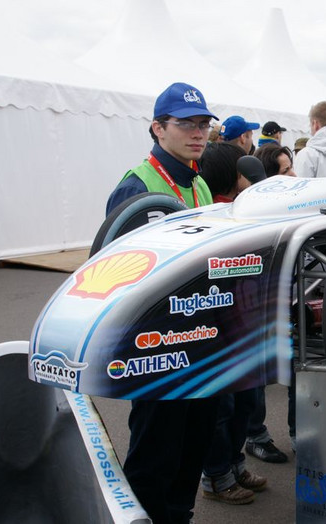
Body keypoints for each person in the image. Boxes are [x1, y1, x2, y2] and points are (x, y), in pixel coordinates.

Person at [106, 82, 220, 524]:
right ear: (158, 128)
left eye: (204, 124)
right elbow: (115, 267)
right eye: (186, 123)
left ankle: (178, 515)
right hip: (157, 346)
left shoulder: (199, 183)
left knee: (194, 445)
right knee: (155, 452)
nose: (198, 132)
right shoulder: (138, 184)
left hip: (203, 341)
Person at [195, 142, 269, 504]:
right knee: (221, 408)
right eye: (243, 171)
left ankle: (234, 462)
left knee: (247, 401)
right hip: (218, 329)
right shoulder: (215, 213)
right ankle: (216, 477)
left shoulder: (245, 210)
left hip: (245, 324)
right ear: (230, 175)